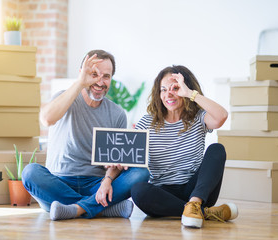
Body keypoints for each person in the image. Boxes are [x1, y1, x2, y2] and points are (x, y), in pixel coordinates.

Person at [22, 50, 149, 221]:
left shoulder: (117, 113)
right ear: (82, 74)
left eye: (106, 76)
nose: (100, 81)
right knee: (30, 172)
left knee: (141, 173)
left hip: (96, 185)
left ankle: (74, 209)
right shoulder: (64, 98)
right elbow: (46, 119)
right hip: (59, 182)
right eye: (94, 74)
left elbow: (116, 160)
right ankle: (99, 209)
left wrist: (107, 180)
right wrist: (80, 83)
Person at [131, 65, 238, 228]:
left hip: (197, 191)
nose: (168, 94)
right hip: (163, 193)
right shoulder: (146, 123)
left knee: (217, 149)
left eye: (175, 88)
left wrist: (189, 93)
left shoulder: (198, 118)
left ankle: (195, 205)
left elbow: (221, 116)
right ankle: (204, 213)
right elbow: (132, 159)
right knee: (138, 190)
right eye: (163, 89)